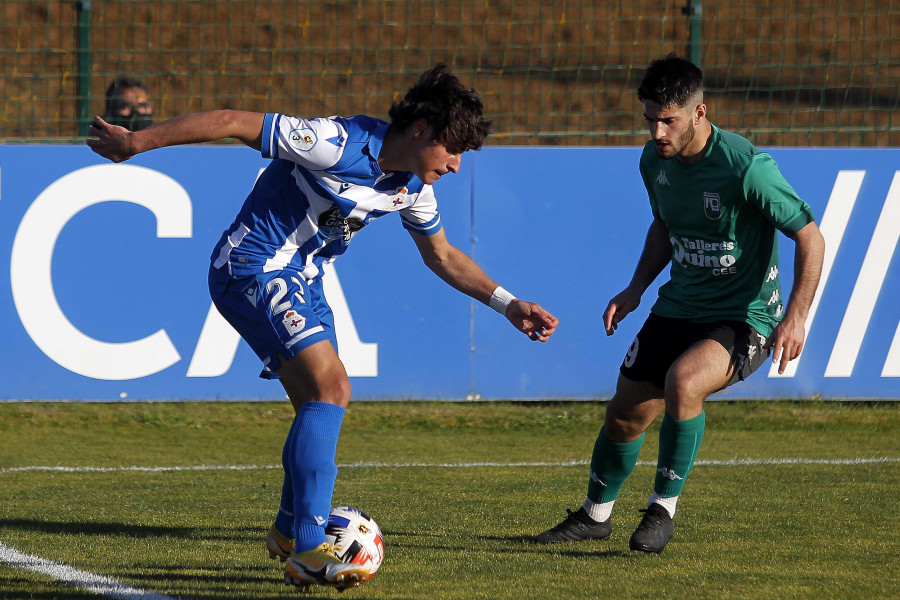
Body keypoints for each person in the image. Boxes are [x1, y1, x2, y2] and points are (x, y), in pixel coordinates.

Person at [87, 64, 558, 590]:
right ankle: (311, 546)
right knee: (333, 390)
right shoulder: (335, 142)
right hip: (253, 266)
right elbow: (229, 121)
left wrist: (508, 303)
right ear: (421, 129)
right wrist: (138, 141)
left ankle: (289, 533)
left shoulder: (411, 189)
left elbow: (444, 256)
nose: (455, 166)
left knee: (315, 404)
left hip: (304, 281)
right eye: (452, 150)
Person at [534, 55, 824, 554]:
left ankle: (662, 509)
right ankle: (594, 515)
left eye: (668, 120)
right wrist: (635, 288)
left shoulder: (747, 168)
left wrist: (795, 317)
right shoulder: (654, 162)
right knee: (625, 413)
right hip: (678, 305)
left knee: (684, 382)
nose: (656, 132)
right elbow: (664, 226)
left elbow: (810, 237)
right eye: (649, 119)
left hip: (744, 316)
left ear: (700, 113)